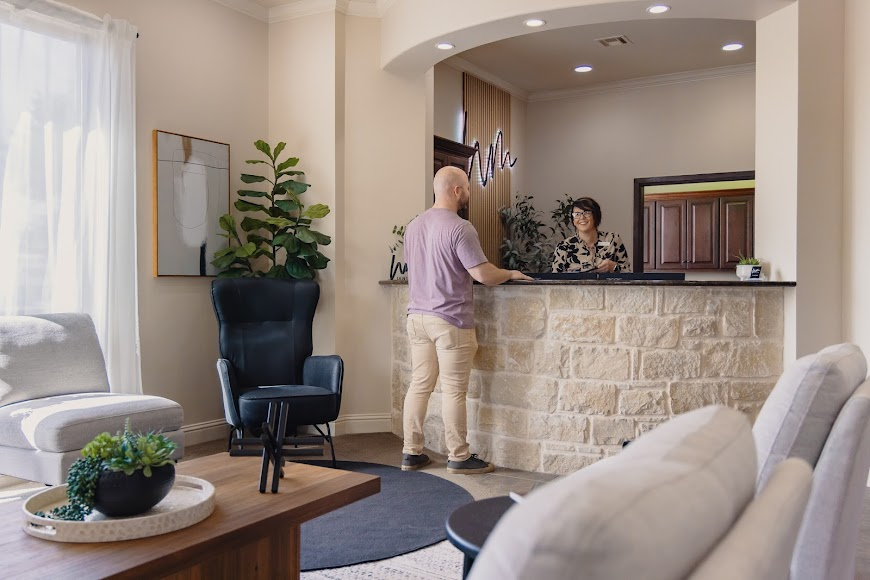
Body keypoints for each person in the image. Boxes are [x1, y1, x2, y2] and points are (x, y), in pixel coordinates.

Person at [401, 166, 532, 474]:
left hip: (417, 317)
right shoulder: (461, 227)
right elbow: (483, 274)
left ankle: (411, 452)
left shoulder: (414, 226)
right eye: (468, 188)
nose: (470, 194)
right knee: (453, 390)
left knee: (419, 385)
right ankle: (458, 456)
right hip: (450, 320)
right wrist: (510, 272)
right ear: (457, 190)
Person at [551, 197, 632, 273]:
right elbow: (554, 282)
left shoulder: (612, 240)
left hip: (608, 288)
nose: (582, 217)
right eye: (577, 214)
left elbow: (628, 274)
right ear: (573, 220)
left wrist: (614, 267)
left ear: (595, 216)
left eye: (587, 213)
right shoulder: (564, 247)